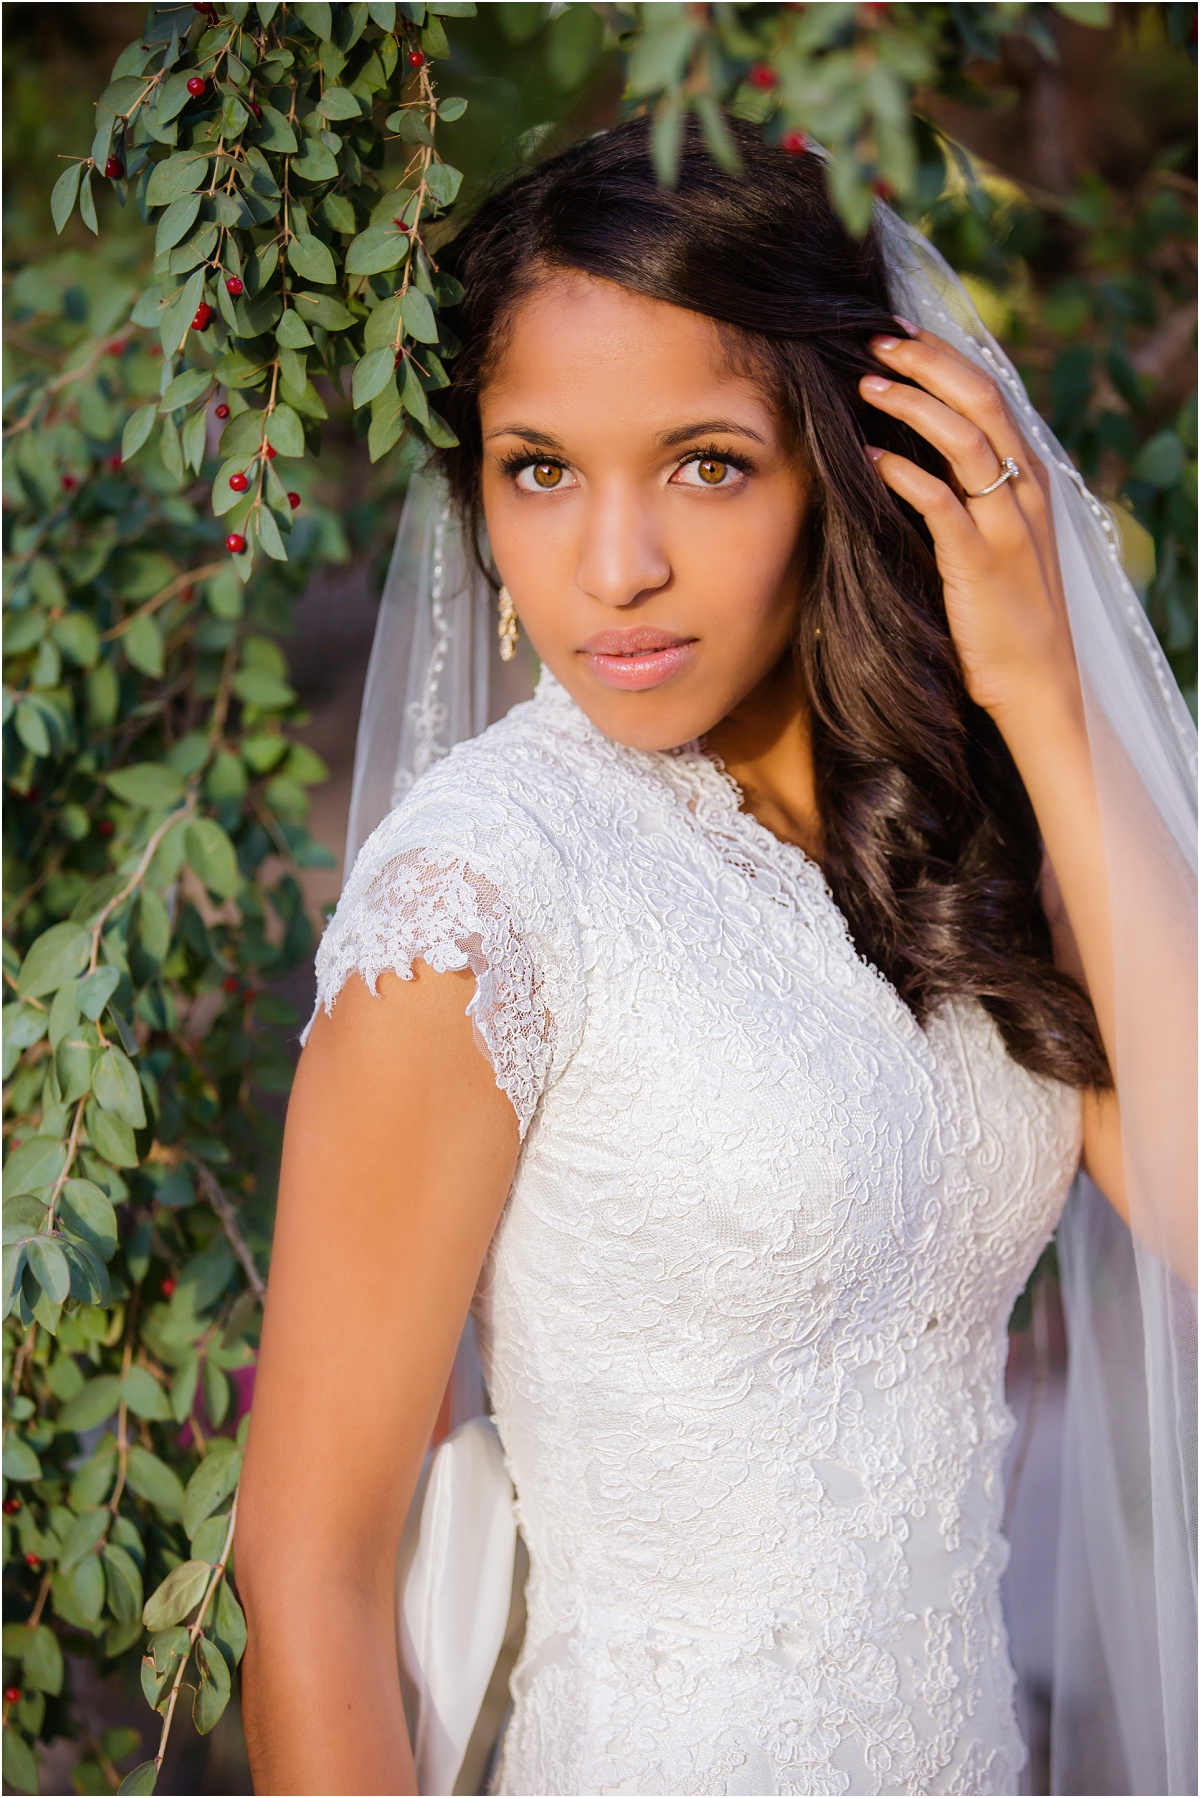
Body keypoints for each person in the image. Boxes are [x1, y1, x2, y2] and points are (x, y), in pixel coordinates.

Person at [236, 118, 1196, 1797]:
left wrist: (1040, 692)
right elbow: (306, 1574)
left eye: (705, 462)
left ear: (851, 457)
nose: (615, 567)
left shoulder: (953, 829)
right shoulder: (480, 900)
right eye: (541, 468)